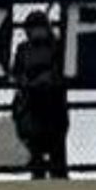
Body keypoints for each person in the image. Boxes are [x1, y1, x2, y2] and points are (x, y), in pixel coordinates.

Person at [12, 11, 69, 179]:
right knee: (37, 154)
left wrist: (43, 80)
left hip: (53, 106)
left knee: (57, 154)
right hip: (34, 107)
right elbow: (17, 73)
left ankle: (57, 182)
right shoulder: (23, 49)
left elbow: (62, 72)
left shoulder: (57, 47)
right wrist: (28, 82)